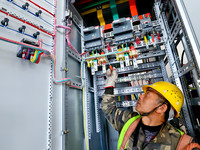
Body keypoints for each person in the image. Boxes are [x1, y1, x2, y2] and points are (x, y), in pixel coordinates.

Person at [102, 67, 200, 150]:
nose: (140, 96)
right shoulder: (129, 121)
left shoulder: (180, 142)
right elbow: (109, 109)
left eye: (147, 94)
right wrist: (110, 84)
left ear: (161, 108)